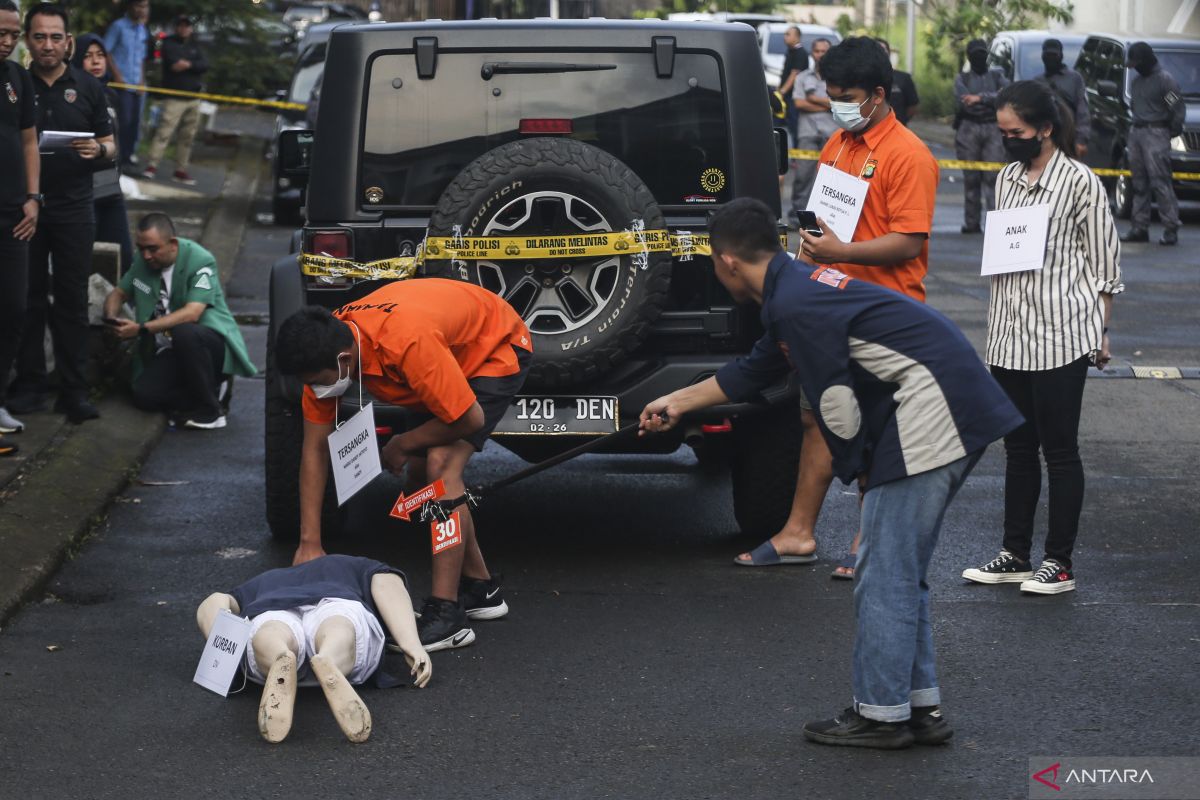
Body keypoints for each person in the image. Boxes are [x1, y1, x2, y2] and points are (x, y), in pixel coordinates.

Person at [640, 197, 1022, 749]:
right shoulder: (793, 289)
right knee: (897, 568)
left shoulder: (795, 302)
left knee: (884, 569)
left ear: (725, 262)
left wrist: (860, 469)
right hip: (952, 402)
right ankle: (917, 708)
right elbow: (754, 370)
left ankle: (882, 716)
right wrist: (678, 401)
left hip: (932, 410)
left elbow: (836, 403)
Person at [736, 37, 939, 583]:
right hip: (829, 307)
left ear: (878, 94)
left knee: (873, 428)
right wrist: (808, 260)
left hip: (882, 314)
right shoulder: (839, 146)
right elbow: (822, 226)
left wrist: (839, 253)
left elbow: (909, 241)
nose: (836, 106)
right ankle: (798, 532)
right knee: (817, 419)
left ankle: (866, 540)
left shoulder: (908, 154)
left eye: (845, 96)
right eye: (829, 96)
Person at [273, 280, 533, 653]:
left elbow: (470, 419)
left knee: (441, 467)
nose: (314, 391)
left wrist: (403, 442)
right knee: (417, 476)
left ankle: (447, 616)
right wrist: (309, 542)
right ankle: (481, 588)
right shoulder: (327, 347)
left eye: (317, 383)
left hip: (492, 345)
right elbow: (314, 450)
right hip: (440, 354)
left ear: (344, 361)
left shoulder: (406, 344)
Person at [962, 81, 1123, 595]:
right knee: (1017, 449)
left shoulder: (1080, 183)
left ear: (1046, 130)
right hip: (1010, 335)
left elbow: (1105, 266)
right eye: (1003, 132)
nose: (1009, 140)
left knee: (1060, 450)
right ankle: (1015, 554)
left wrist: (1100, 331)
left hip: (1061, 333)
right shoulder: (1007, 178)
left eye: (1018, 132)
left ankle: (1060, 562)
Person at [8, 3, 116, 424]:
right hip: (24, 209)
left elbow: (111, 148)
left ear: (68, 41)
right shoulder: (15, 84)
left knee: (71, 301)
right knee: (28, 299)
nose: (47, 45)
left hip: (74, 209)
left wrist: (98, 150)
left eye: (55, 37)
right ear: (27, 42)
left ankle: (74, 390)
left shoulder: (88, 87)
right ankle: (30, 384)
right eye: (39, 37)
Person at [196, 554, 432, 744]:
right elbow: (387, 583)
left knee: (269, 630)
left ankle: (279, 654)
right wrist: (411, 644)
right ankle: (328, 658)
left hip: (270, 605)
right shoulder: (348, 564)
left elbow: (214, 601)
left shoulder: (264, 580)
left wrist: (223, 635)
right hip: (338, 597)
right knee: (339, 626)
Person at [102, 213, 254, 429]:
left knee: (184, 331)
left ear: (172, 244)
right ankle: (204, 392)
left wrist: (141, 329)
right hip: (171, 349)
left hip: (208, 345)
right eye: (141, 248)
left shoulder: (200, 261)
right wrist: (111, 319)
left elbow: (193, 313)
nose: (146, 255)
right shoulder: (142, 263)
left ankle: (212, 411)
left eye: (152, 249)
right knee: (143, 396)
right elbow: (119, 293)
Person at [0, 0, 40, 454]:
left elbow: (30, 138)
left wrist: (34, 197)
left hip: (14, 215)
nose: (8, 42)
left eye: (14, 34)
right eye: (2, 33)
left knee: (12, 308)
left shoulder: (18, 78)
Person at [71, 33, 133, 274]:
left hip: (110, 188)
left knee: (124, 260)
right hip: (84, 192)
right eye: (87, 57)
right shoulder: (72, 96)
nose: (96, 62)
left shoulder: (111, 96)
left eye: (100, 56)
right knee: (84, 261)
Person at [1120, 41, 1186, 246]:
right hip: (1137, 131)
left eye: (1137, 62)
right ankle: (1139, 226)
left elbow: (1177, 108)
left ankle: (1170, 227)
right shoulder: (1137, 82)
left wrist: (1170, 130)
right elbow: (1134, 106)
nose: (1135, 67)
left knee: (1160, 181)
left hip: (1156, 131)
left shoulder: (1165, 80)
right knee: (1139, 183)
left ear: (1146, 60)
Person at [142, 15, 206, 185]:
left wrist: (189, 65)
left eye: (187, 26)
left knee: (188, 136)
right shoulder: (169, 43)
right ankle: (151, 165)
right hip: (174, 97)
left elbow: (204, 64)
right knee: (164, 132)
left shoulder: (194, 44)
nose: (184, 29)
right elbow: (173, 63)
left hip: (193, 97)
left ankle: (180, 169)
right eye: (181, 26)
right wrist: (190, 64)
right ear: (177, 27)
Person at [954, 38, 1009, 234]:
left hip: (993, 127)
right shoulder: (962, 78)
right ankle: (972, 223)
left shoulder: (997, 76)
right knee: (971, 178)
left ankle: (994, 224)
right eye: (975, 53)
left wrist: (979, 98)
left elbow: (1006, 96)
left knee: (993, 178)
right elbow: (963, 101)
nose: (979, 57)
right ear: (969, 56)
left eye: (982, 53)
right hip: (968, 129)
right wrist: (990, 99)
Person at [789, 37, 836, 227]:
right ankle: (796, 218)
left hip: (833, 135)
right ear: (812, 53)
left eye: (824, 51)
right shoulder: (802, 78)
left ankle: (828, 221)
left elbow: (840, 104)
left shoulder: (838, 78)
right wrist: (828, 105)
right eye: (817, 51)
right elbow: (799, 103)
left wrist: (813, 100)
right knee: (803, 178)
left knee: (831, 181)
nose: (820, 55)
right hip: (807, 133)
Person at [103, 0, 148, 168]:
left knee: (135, 122)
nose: (141, 9)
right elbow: (106, 50)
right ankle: (118, 157)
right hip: (121, 84)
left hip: (137, 84)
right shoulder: (118, 26)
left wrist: (142, 80)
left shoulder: (142, 29)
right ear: (130, 6)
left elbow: (142, 57)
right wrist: (117, 76)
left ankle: (128, 156)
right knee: (123, 121)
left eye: (144, 6)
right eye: (138, 5)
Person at [1034, 38, 1089, 159]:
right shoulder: (1037, 82)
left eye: (1054, 55)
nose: (1051, 58)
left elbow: (1082, 111)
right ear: (1043, 56)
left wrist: (1081, 140)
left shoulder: (1075, 79)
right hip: (1044, 138)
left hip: (1068, 138)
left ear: (1061, 56)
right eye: (1048, 55)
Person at [776, 26, 809, 146]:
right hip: (787, 95)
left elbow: (794, 74)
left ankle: (796, 154)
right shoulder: (791, 52)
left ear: (797, 37)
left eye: (788, 34)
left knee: (795, 126)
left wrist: (781, 92)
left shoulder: (800, 53)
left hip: (794, 96)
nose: (785, 37)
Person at [875, 38, 919, 126]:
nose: (880, 53)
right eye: (876, 50)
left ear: (889, 53)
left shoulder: (904, 78)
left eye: (883, 50)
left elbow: (913, 106)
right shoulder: (862, 80)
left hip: (896, 130)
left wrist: (900, 121)